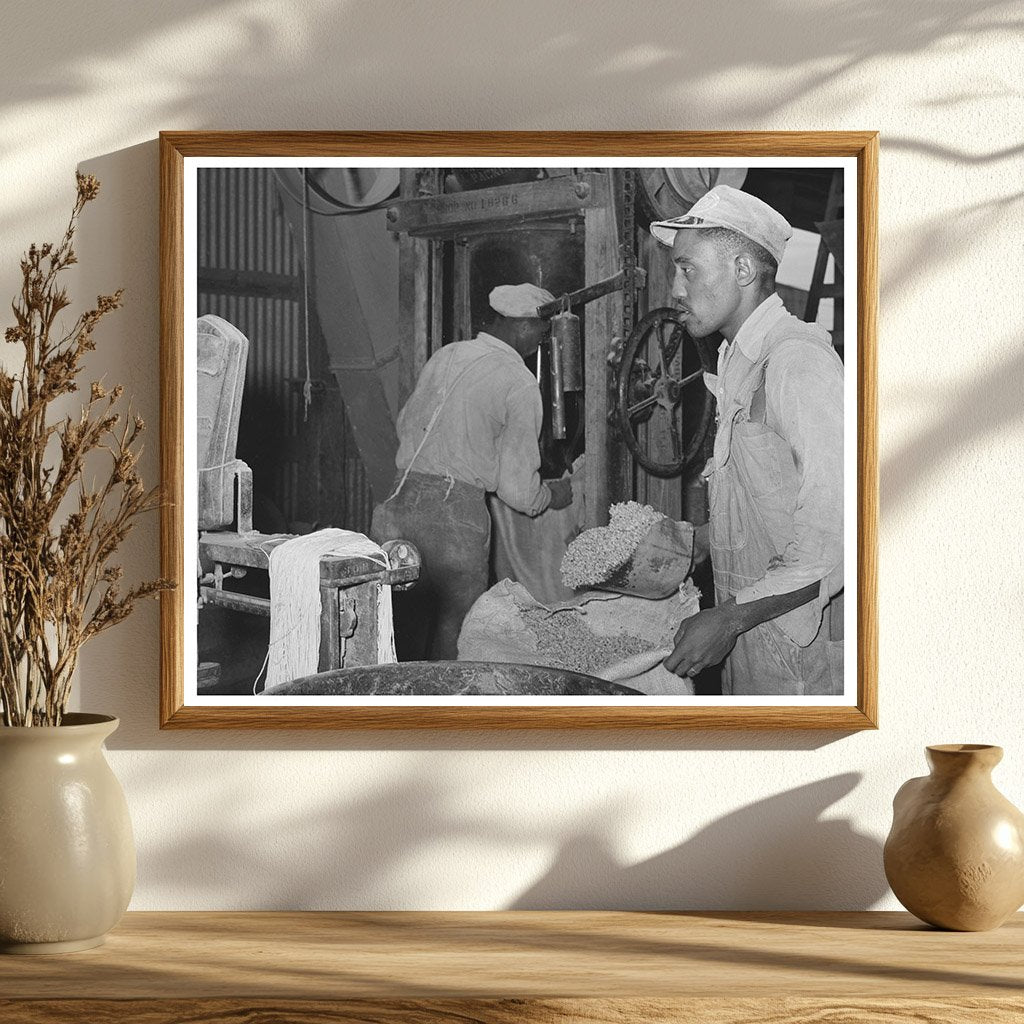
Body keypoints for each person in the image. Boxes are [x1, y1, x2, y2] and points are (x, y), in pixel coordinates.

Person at [650, 185, 844, 696]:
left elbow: (842, 530)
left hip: (804, 654)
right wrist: (699, 543)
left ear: (742, 270)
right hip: (756, 637)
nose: (674, 289)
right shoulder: (738, 361)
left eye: (687, 268)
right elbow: (773, 502)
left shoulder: (796, 363)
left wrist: (730, 620)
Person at [371, 283, 572, 660]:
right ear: (526, 327)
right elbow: (518, 492)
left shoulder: (446, 355)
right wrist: (556, 494)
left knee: (397, 624)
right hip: (453, 519)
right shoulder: (520, 383)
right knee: (457, 629)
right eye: (542, 335)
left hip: (397, 505)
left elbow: (406, 424)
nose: (540, 344)